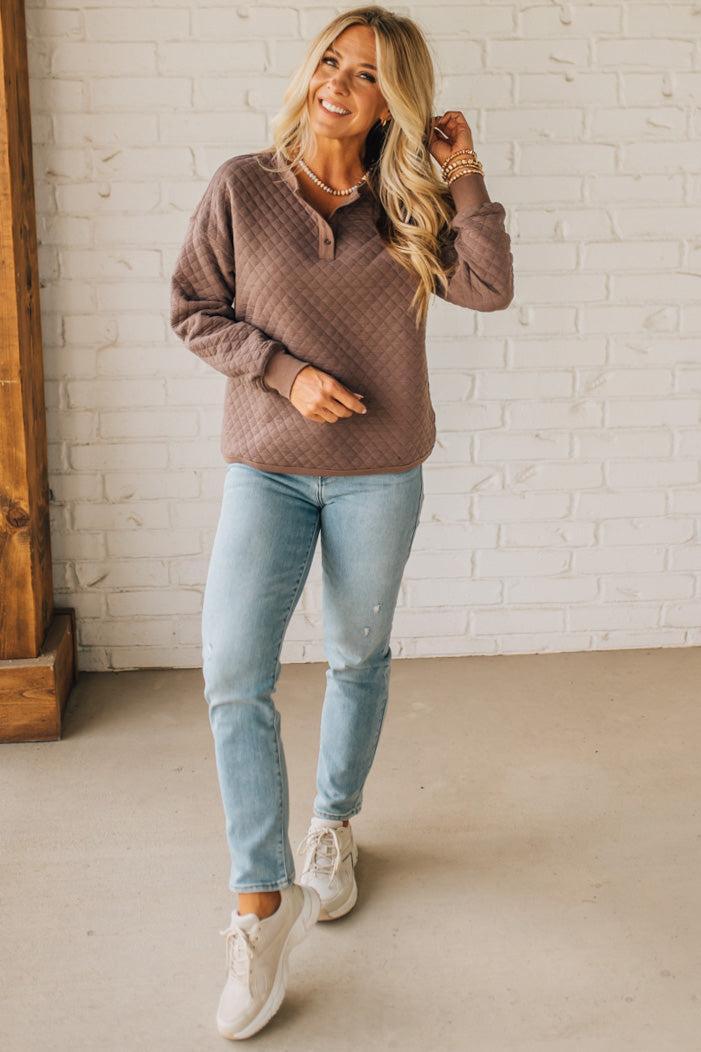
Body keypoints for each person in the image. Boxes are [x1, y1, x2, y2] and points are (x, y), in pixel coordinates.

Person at [170, 3, 513, 1040]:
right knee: (234, 672)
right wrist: (284, 372)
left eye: (365, 74)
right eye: (329, 61)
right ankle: (260, 905)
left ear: (389, 100)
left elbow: (488, 287)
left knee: (358, 656)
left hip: (377, 473)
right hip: (268, 471)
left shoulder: (406, 206)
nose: (336, 83)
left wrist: (462, 171)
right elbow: (194, 306)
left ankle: (334, 827)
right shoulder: (243, 185)